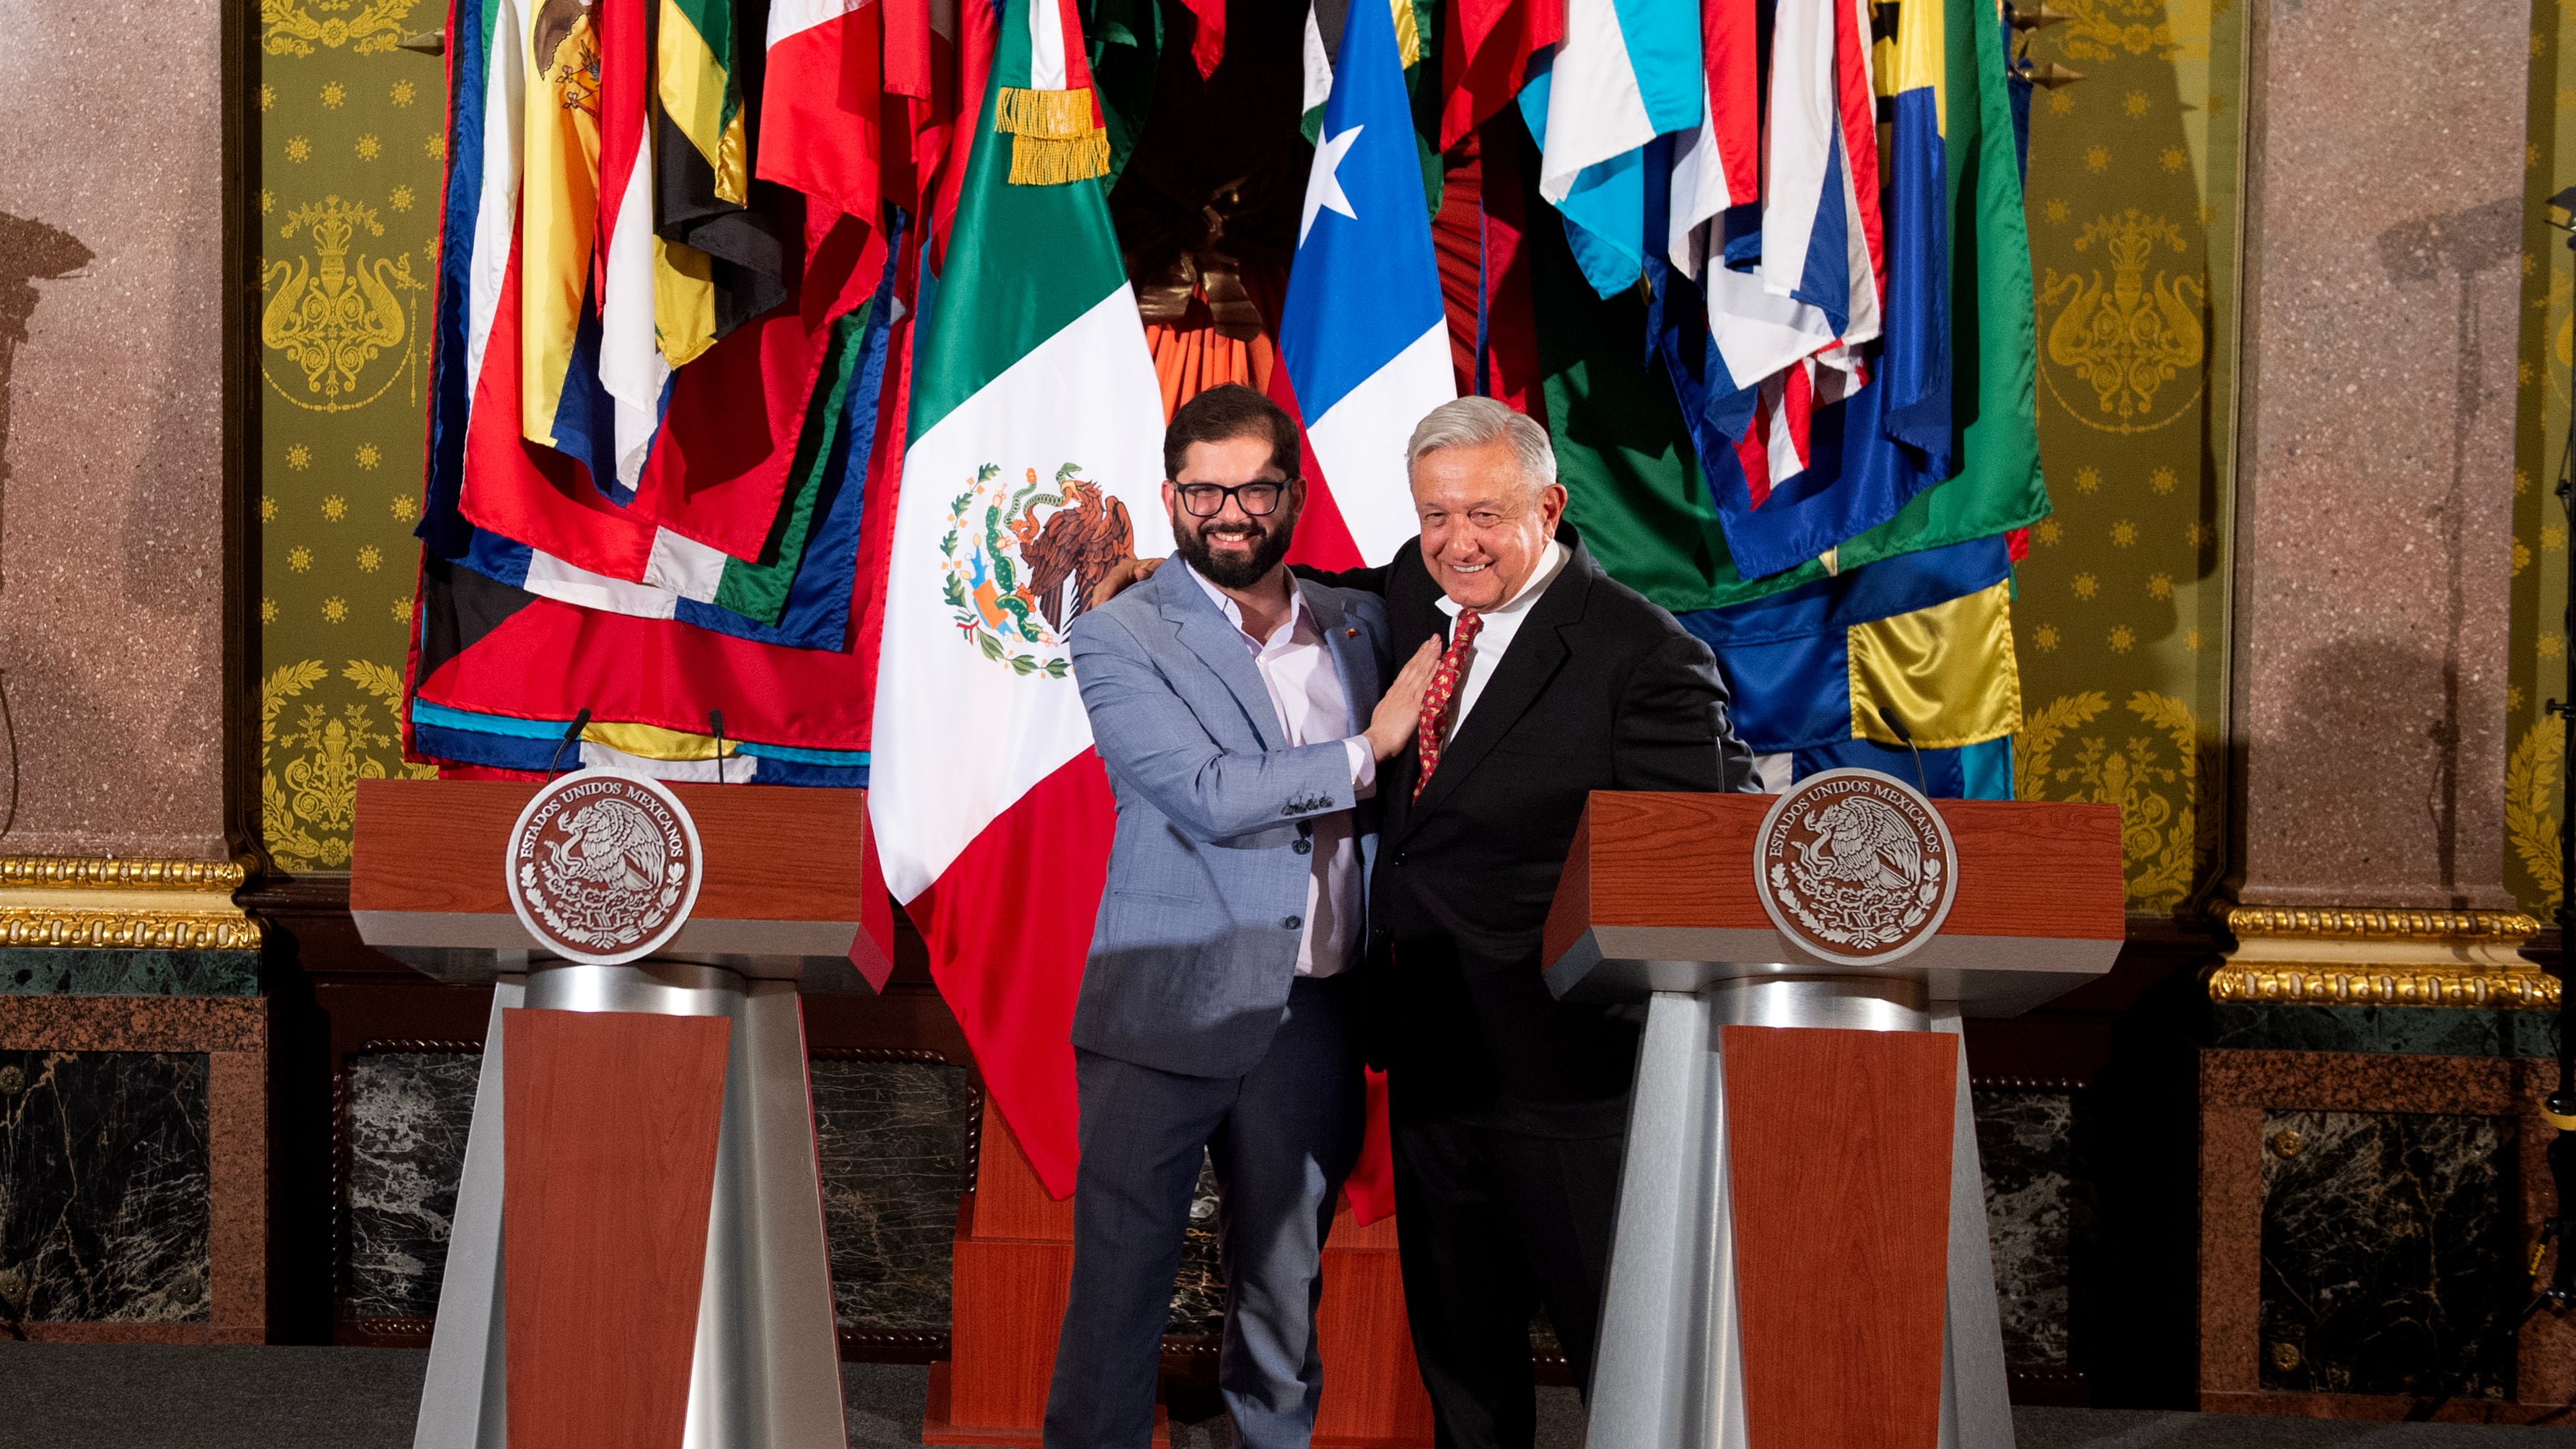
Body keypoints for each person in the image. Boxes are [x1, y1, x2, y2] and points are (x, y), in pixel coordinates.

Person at [1094, 395, 1756, 1449]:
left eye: (1485, 516)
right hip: (1429, 1059)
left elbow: (1704, 871)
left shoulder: (1643, 657)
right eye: (1435, 517)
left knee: (1617, 1357)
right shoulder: (1413, 588)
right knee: (1463, 1361)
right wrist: (1162, 583)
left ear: (1550, 506)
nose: (1457, 544)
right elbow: (1312, 595)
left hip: (1569, 1078)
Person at [1048, 383, 1440, 1449]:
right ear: (1170, 496)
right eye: (1203, 491)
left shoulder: (1357, 622)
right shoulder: (1120, 633)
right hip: (1163, 1006)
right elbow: (1206, 792)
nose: (1229, 512)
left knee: (1280, 1292)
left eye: (1254, 489)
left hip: (1312, 1012)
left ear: (1293, 493)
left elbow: (1479, 560)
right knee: (1120, 1284)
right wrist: (1369, 750)